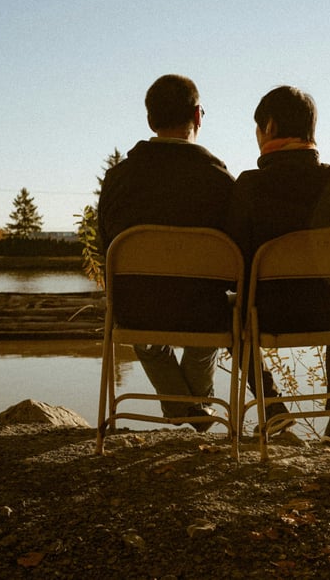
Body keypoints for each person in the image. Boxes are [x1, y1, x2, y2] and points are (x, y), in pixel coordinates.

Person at [226, 85, 330, 446]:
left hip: (264, 314)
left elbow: (234, 259)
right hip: (326, 314)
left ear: (269, 127)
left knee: (229, 314)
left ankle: (272, 407)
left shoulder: (249, 184)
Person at [97, 74, 235, 431]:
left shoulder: (117, 180)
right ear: (198, 116)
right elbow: (238, 260)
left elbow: (106, 254)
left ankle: (182, 407)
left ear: (150, 120)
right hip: (204, 314)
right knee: (219, 310)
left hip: (136, 311)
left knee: (145, 330)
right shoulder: (221, 181)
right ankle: (193, 406)